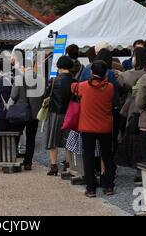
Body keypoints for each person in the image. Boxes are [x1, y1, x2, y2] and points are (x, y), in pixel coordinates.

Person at [72, 60, 116, 198]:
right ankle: (108, 186)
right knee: (107, 156)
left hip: (88, 127)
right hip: (105, 127)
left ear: (91, 72)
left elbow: (73, 87)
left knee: (88, 157)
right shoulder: (110, 87)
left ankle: (90, 188)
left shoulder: (83, 86)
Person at [10, 53, 44, 171]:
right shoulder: (40, 79)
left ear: (23, 66)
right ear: (33, 65)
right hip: (34, 114)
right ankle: (28, 162)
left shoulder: (19, 78)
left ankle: (13, 160)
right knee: (31, 138)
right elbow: (43, 96)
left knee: (16, 136)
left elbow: (13, 95)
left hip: (20, 112)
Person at [45, 56, 74, 176]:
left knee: (53, 140)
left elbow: (46, 95)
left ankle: (53, 166)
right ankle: (67, 165)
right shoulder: (75, 81)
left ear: (59, 66)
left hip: (55, 113)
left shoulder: (53, 80)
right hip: (70, 114)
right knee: (68, 140)